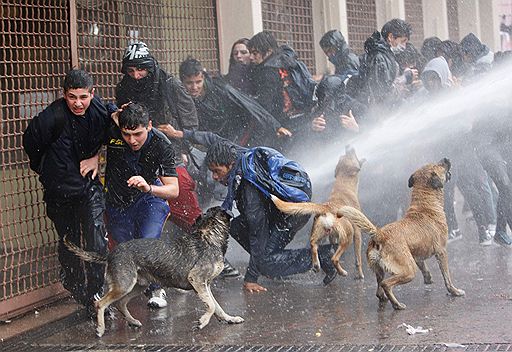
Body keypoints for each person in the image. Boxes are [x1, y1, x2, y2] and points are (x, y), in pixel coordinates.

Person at [163, 125, 338, 293]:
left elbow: (257, 232)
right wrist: (182, 134)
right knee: (238, 226)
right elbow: (212, 138)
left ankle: (325, 256)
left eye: (217, 171)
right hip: (278, 208)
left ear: (230, 165)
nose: (215, 177)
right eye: (212, 172)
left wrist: (251, 278)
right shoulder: (234, 152)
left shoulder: (248, 189)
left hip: (292, 214)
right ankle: (274, 266)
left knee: (265, 260)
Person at [23, 69, 113, 316]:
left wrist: (97, 156)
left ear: (92, 94)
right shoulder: (51, 117)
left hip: (88, 186)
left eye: (83, 97)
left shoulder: (100, 111)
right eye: (72, 97)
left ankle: (97, 292)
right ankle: (76, 287)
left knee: (96, 238)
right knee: (70, 242)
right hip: (59, 189)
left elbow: (116, 134)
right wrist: (45, 168)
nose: (78, 103)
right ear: (64, 95)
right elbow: (30, 141)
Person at [116, 42, 201, 243]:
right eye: (131, 70)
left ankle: (211, 253)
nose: (136, 75)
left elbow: (191, 125)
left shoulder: (170, 85)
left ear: (150, 67)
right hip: (137, 157)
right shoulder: (124, 88)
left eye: (141, 70)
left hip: (171, 154)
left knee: (186, 210)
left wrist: (178, 141)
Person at [105, 102, 179, 308]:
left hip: (149, 196)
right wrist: (93, 157)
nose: (132, 140)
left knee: (147, 241)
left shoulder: (161, 143)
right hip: (117, 199)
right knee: (126, 248)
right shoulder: (111, 131)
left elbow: (174, 190)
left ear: (149, 125)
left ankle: (157, 289)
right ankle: (130, 288)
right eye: (126, 134)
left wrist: (148, 188)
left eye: (138, 134)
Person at [178, 57, 290, 147]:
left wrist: (275, 126)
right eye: (189, 83)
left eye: (198, 82)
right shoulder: (179, 97)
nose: (194, 87)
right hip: (209, 138)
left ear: (203, 78)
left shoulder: (220, 88)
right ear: (182, 81)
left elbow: (249, 105)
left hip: (236, 131)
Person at [247, 31, 317, 150]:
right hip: (303, 118)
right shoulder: (288, 62)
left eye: (255, 53)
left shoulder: (267, 72)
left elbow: (266, 105)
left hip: (284, 126)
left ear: (268, 51)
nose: (251, 57)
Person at [357, 18, 419, 110]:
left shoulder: (386, 56)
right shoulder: (379, 58)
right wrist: (405, 78)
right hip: (379, 114)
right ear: (390, 37)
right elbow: (382, 94)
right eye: (402, 41)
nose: (404, 46)